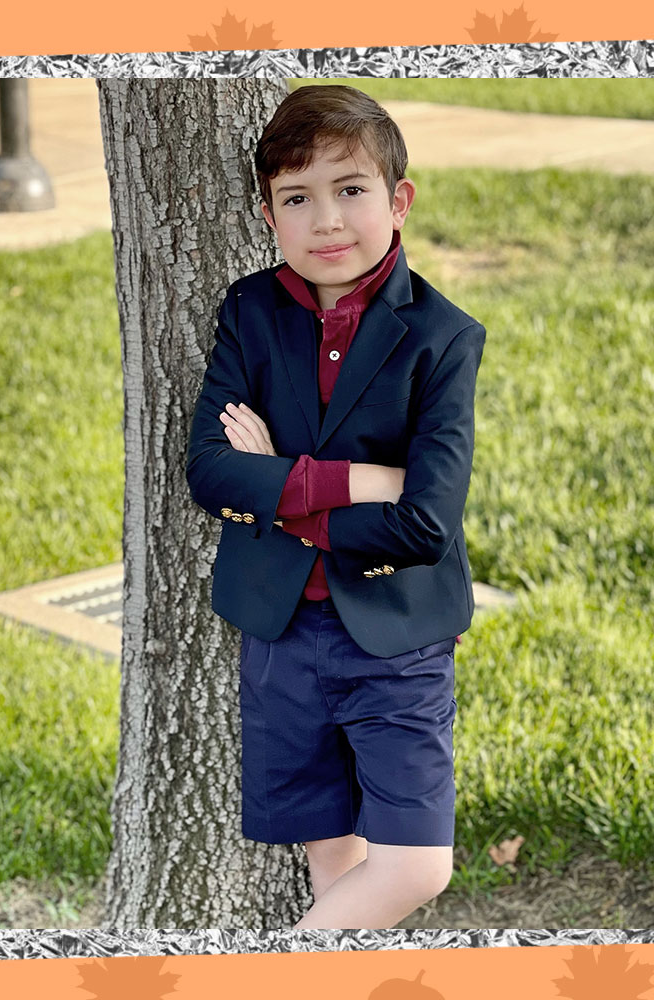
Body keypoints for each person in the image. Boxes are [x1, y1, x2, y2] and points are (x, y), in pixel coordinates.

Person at [186, 84, 487, 929]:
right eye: (297, 198)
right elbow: (210, 471)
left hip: (397, 635)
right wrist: (354, 481)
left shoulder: (442, 336)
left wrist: (277, 484)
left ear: (398, 201)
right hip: (282, 633)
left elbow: (426, 522)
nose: (327, 220)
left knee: (416, 865)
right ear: (268, 213)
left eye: (351, 191)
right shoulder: (250, 313)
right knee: (335, 865)